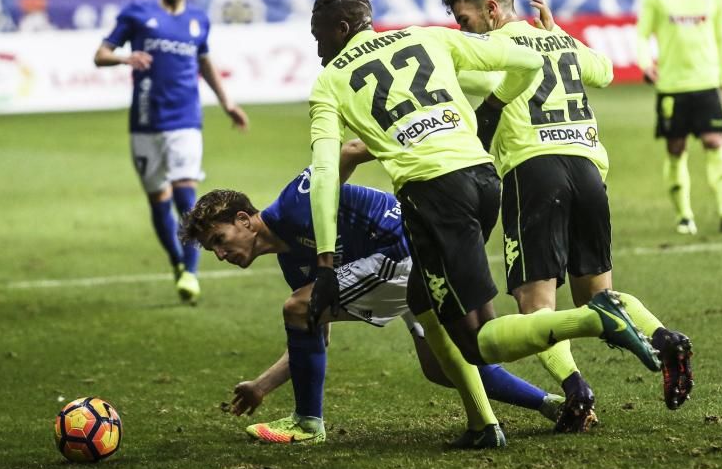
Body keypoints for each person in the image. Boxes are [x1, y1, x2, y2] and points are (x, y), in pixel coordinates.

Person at [306, 0, 661, 449]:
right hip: (483, 178)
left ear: (341, 29)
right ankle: (481, 423)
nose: (317, 48)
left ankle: (597, 320)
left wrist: (326, 263)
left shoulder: (329, 81)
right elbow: (528, 61)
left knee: (477, 339)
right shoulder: (426, 36)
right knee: (421, 298)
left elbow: (325, 172)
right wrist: (491, 109)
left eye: (319, 37)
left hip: (433, 195)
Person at [441, 0, 695, 421]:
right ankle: (663, 337)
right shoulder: (558, 40)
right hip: (587, 170)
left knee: (535, 307)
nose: (464, 30)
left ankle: (576, 390)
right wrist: (556, 32)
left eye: (465, 20)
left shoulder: (490, 51)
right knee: (598, 298)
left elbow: (453, 80)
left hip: (534, 172)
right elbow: (606, 71)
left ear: (492, 10)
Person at [179, 157, 568, 445]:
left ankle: (308, 422)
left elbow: (347, 152)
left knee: (297, 306)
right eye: (213, 249)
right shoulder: (293, 263)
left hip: (403, 249)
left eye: (219, 240)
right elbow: (315, 335)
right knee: (442, 366)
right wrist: (262, 386)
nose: (220, 254)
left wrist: (402, 146)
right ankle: (552, 404)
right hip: (407, 264)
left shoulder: (294, 203)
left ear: (244, 219)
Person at [94, 0, 249, 304]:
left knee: (185, 198)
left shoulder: (198, 20)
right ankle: (177, 262)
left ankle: (191, 272)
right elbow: (100, 55)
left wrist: (227, 103)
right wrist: (124, 58)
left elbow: (205, 62)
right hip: (145, 122)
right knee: (158, 200)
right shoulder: (136, 14)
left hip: (186, 121)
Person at [636, 0, 722, 235]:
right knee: (676, 149)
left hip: (706, 82)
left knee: (715, 142)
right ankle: (684, 215)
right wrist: (646, 64)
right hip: (671, 86)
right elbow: (642, 35)